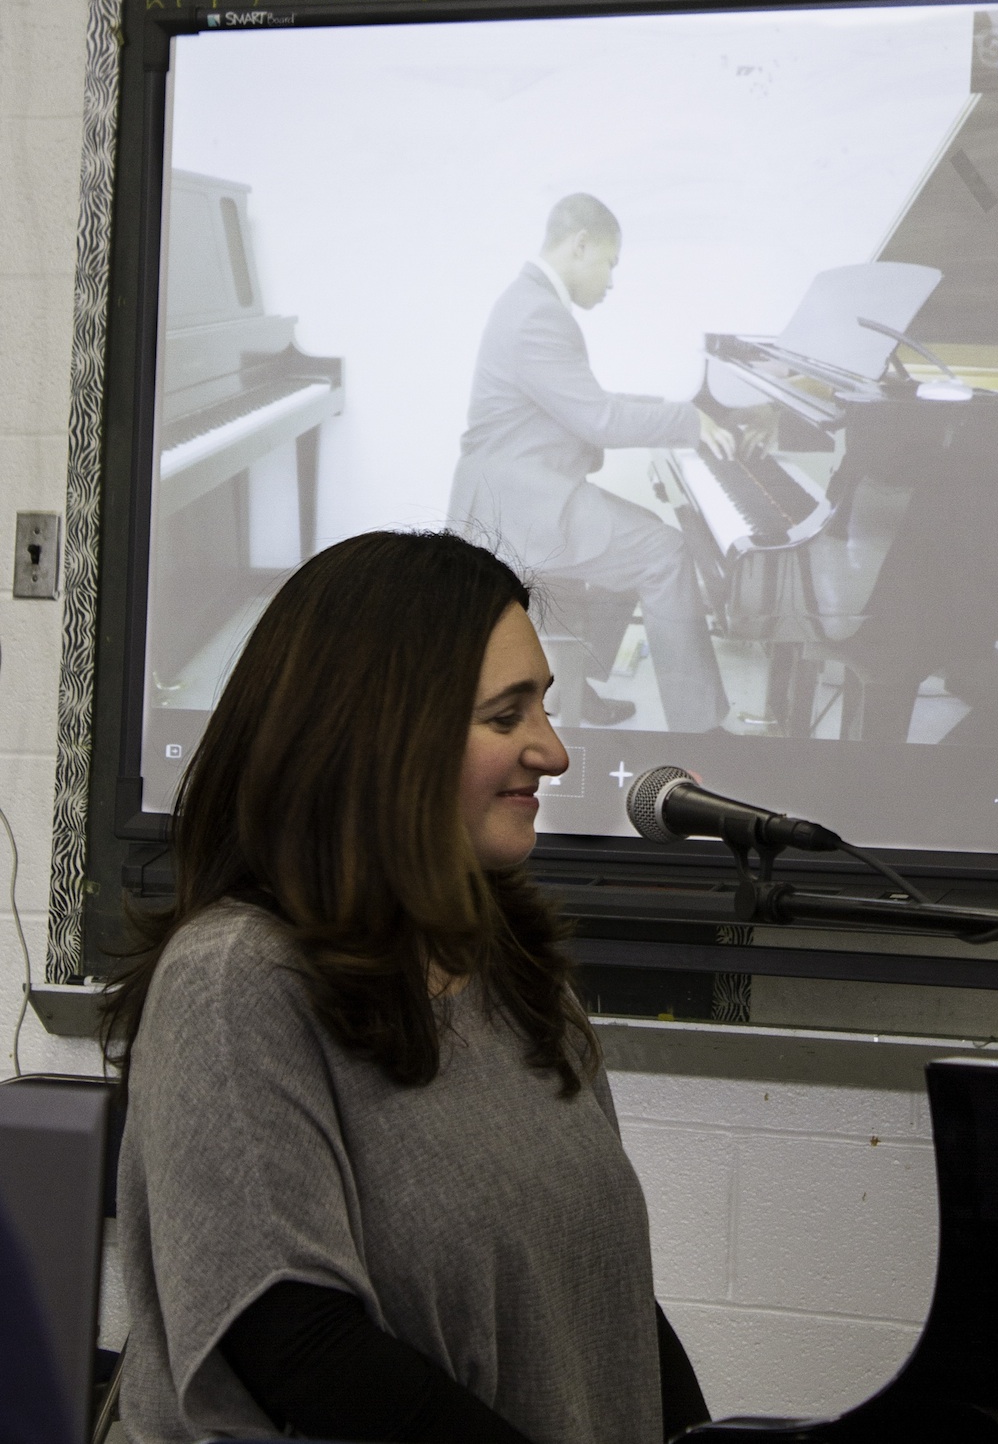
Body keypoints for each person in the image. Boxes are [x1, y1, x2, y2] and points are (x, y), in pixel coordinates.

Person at [107, 531, 709, 1444]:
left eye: (543, 708)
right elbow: (300, 1350)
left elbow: (607, 1299)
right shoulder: (234, 979)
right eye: (507, 717)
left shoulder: (511, 967)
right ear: (380, 736)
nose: (553, 752)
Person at [448, 193, 732, 733]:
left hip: (517, 491)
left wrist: (679, 411)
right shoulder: (538, 314)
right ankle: (704, 732)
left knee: (633, 542)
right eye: (610, 262)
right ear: (581, 245)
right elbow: (598, 418)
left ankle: (577, 685)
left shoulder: (529, 303)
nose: (610, 280)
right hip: (515, 504)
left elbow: (586, 402)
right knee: (664, 553)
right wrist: (688, 424)